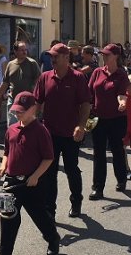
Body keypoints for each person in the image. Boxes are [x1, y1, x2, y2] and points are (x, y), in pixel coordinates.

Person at [0, 92, 61, 255]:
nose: (18, 114)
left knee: (40, 216)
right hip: (13, 182)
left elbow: (48, 158)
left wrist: (36, 176)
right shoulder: (11, 130)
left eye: (22, 111)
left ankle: (53, 238)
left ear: (33, 109)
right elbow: (7, 152)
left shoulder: (41, 131)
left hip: (32, 183)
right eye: (16, 110)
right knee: (8, 217)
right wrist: (3, 166)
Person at [33, 42, 91, 218]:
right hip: (49, 133)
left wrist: (81, 126)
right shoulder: (45, 77)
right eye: (51, 56)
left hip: (71, 134)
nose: (52, 59)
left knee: (71, 169)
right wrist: (31, 123)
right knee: (49, 173)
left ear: (66, 58)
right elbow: (37, 102)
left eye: (55, 56)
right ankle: (50, 209)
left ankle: (76, 201)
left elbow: (85, 104)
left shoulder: (78, 78)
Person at [87, 44, 129, 199]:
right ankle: (98, 188)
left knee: (117, 150)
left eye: (107, 55)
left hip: (117, 119)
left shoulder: (121, 74)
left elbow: (122, 94)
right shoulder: (97, 72)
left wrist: (122, 103)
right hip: (98, 118)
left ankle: (121, 178)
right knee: (99, 153)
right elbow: (89, 93)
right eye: (103, 54)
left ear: (116, 56)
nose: (104, 57)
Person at [0, 41, 41, 126]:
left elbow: (39, 81)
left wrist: (37, 98)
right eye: (21, 50)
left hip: (28, 101)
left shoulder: (32, 63)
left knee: (27, 126)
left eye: (25, 50)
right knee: (12, 126)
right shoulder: (10, 64)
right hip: (13, 100)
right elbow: (5, 82)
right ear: (15, 52)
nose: (25, 52)